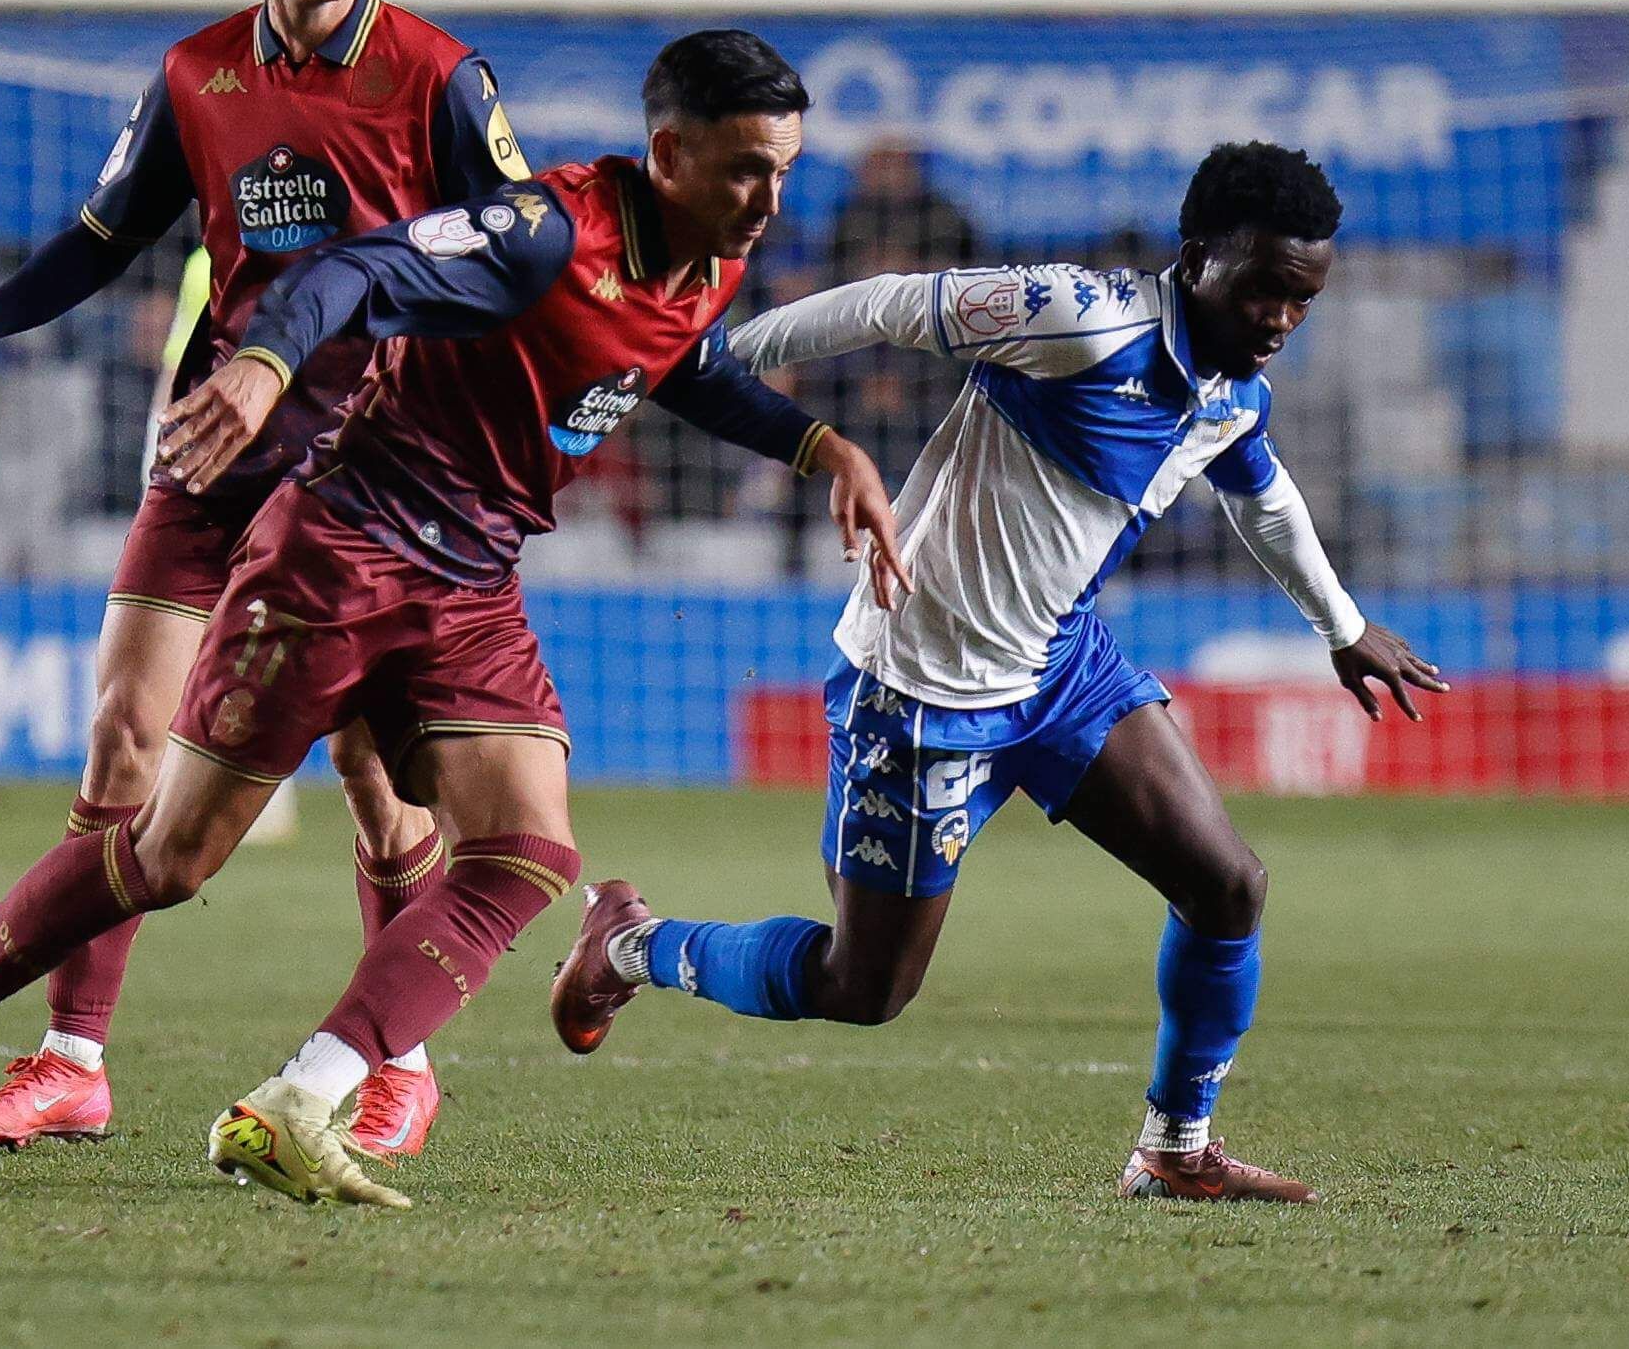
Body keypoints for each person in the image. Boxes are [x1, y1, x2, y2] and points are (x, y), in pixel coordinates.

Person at [0, 31, 908, 1211]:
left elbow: (679, 361)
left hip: (472, 585)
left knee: (530, 851)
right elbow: (351, 273)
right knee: (168, 859)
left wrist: (820, 445)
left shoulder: (706, 253)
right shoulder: (542, 232)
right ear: (668, 153)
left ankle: (301, 1098)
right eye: (748, 168)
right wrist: (264, 365)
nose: (769, 198)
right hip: (340, 556)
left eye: (784, 170)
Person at [550, 142, 1448, 1204]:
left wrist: (1339, 625)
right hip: (922, 686)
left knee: (1226, 885)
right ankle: (631, 946)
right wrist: (699, 372)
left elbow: (1261, 496)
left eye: (1302, 300)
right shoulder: (1076, 318)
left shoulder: (1228, 395)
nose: (1279, 320)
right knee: (862, 986)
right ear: (1198, 258)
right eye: (1262, 289)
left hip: (1060, 668)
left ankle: (1173, 1146)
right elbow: (889, 302)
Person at [0, 0, 530, 1162]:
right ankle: (71, 1058)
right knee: (124, 727)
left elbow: (517, 253)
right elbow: (103, 235)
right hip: (216, 446)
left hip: (371, 477)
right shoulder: (196, 74)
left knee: (373, 772)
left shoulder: (440, 74)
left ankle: (398, 1065)